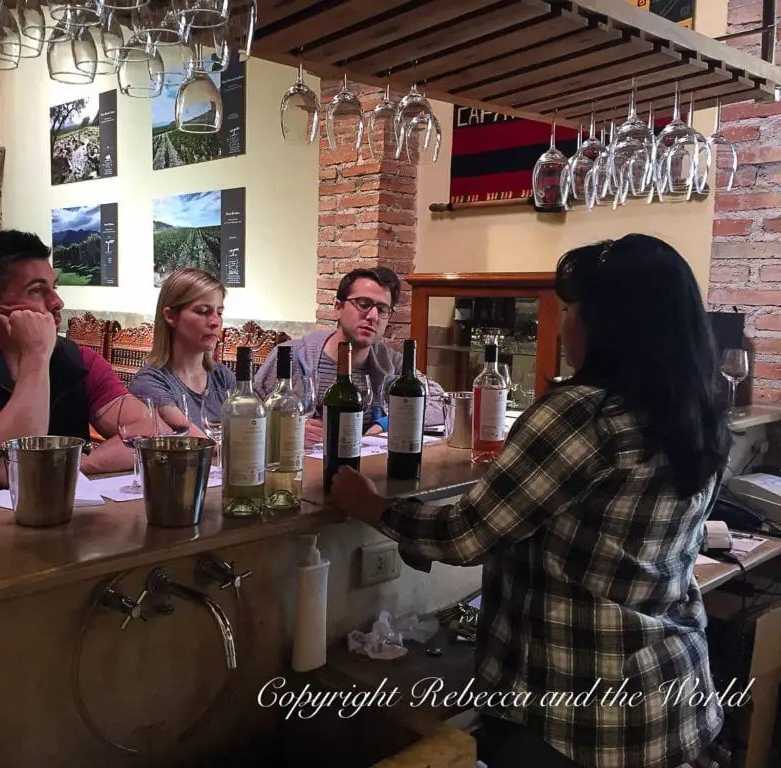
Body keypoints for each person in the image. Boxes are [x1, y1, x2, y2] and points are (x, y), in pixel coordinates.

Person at [331, 235, 731, 768]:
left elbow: (465, 535)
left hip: (576, 713)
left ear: (610, 324)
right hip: (672, 694)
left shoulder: (582, 413)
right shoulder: (698, 410)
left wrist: (372, 507)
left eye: (569, 309)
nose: (563, 324)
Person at [0, 229, 161, 503]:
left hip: (56, 524)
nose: (57, 302)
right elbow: (8, 467)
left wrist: (77, 465)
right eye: (37, 290)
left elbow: (151, 431)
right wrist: (35, 355)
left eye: (54, 287)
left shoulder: (78, 361)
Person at [253, 266, 446, 448]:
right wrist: (286, 430)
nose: (373, 316)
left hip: (366, 470)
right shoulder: (290, 357)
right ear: (338, 307)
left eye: (382, 309)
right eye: (363, 304)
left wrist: (388, 422)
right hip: (299, 471)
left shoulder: (391, 363)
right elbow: (247, 416)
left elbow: (440, 403)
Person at [129, 268, 236, 431]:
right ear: (171, 316)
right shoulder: (149, 382)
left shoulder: (223, 377)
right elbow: (193, 442)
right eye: (203, 311)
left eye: (219, 312)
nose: (215, 322)